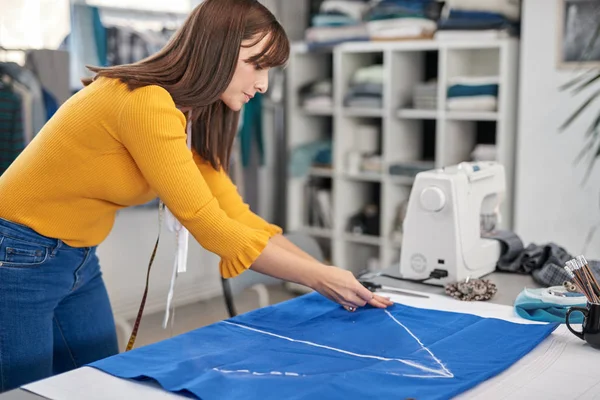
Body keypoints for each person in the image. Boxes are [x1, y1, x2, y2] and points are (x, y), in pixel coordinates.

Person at [0, 0, 393, 392]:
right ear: (218, 49)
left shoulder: (188, 111)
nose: (264, 84)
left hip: (77, 258)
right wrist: (321, 280)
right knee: (24, 391)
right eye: (257, 65)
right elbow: (211, 225)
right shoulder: (144, 101)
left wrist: (330, 275)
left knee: (97, 385)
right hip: (15, 254)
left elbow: (235, 213)